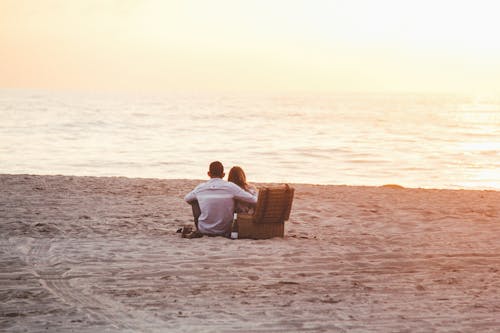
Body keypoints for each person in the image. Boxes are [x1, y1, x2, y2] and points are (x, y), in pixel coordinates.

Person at [184, 161, 257, 237]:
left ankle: (199, 228)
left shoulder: (200, 188)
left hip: (204, 229)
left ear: (208, 174)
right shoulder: (231, 187)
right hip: (225, 229)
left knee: (194, 201)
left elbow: (187, 198)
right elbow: (254, 200)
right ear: (223, 174)